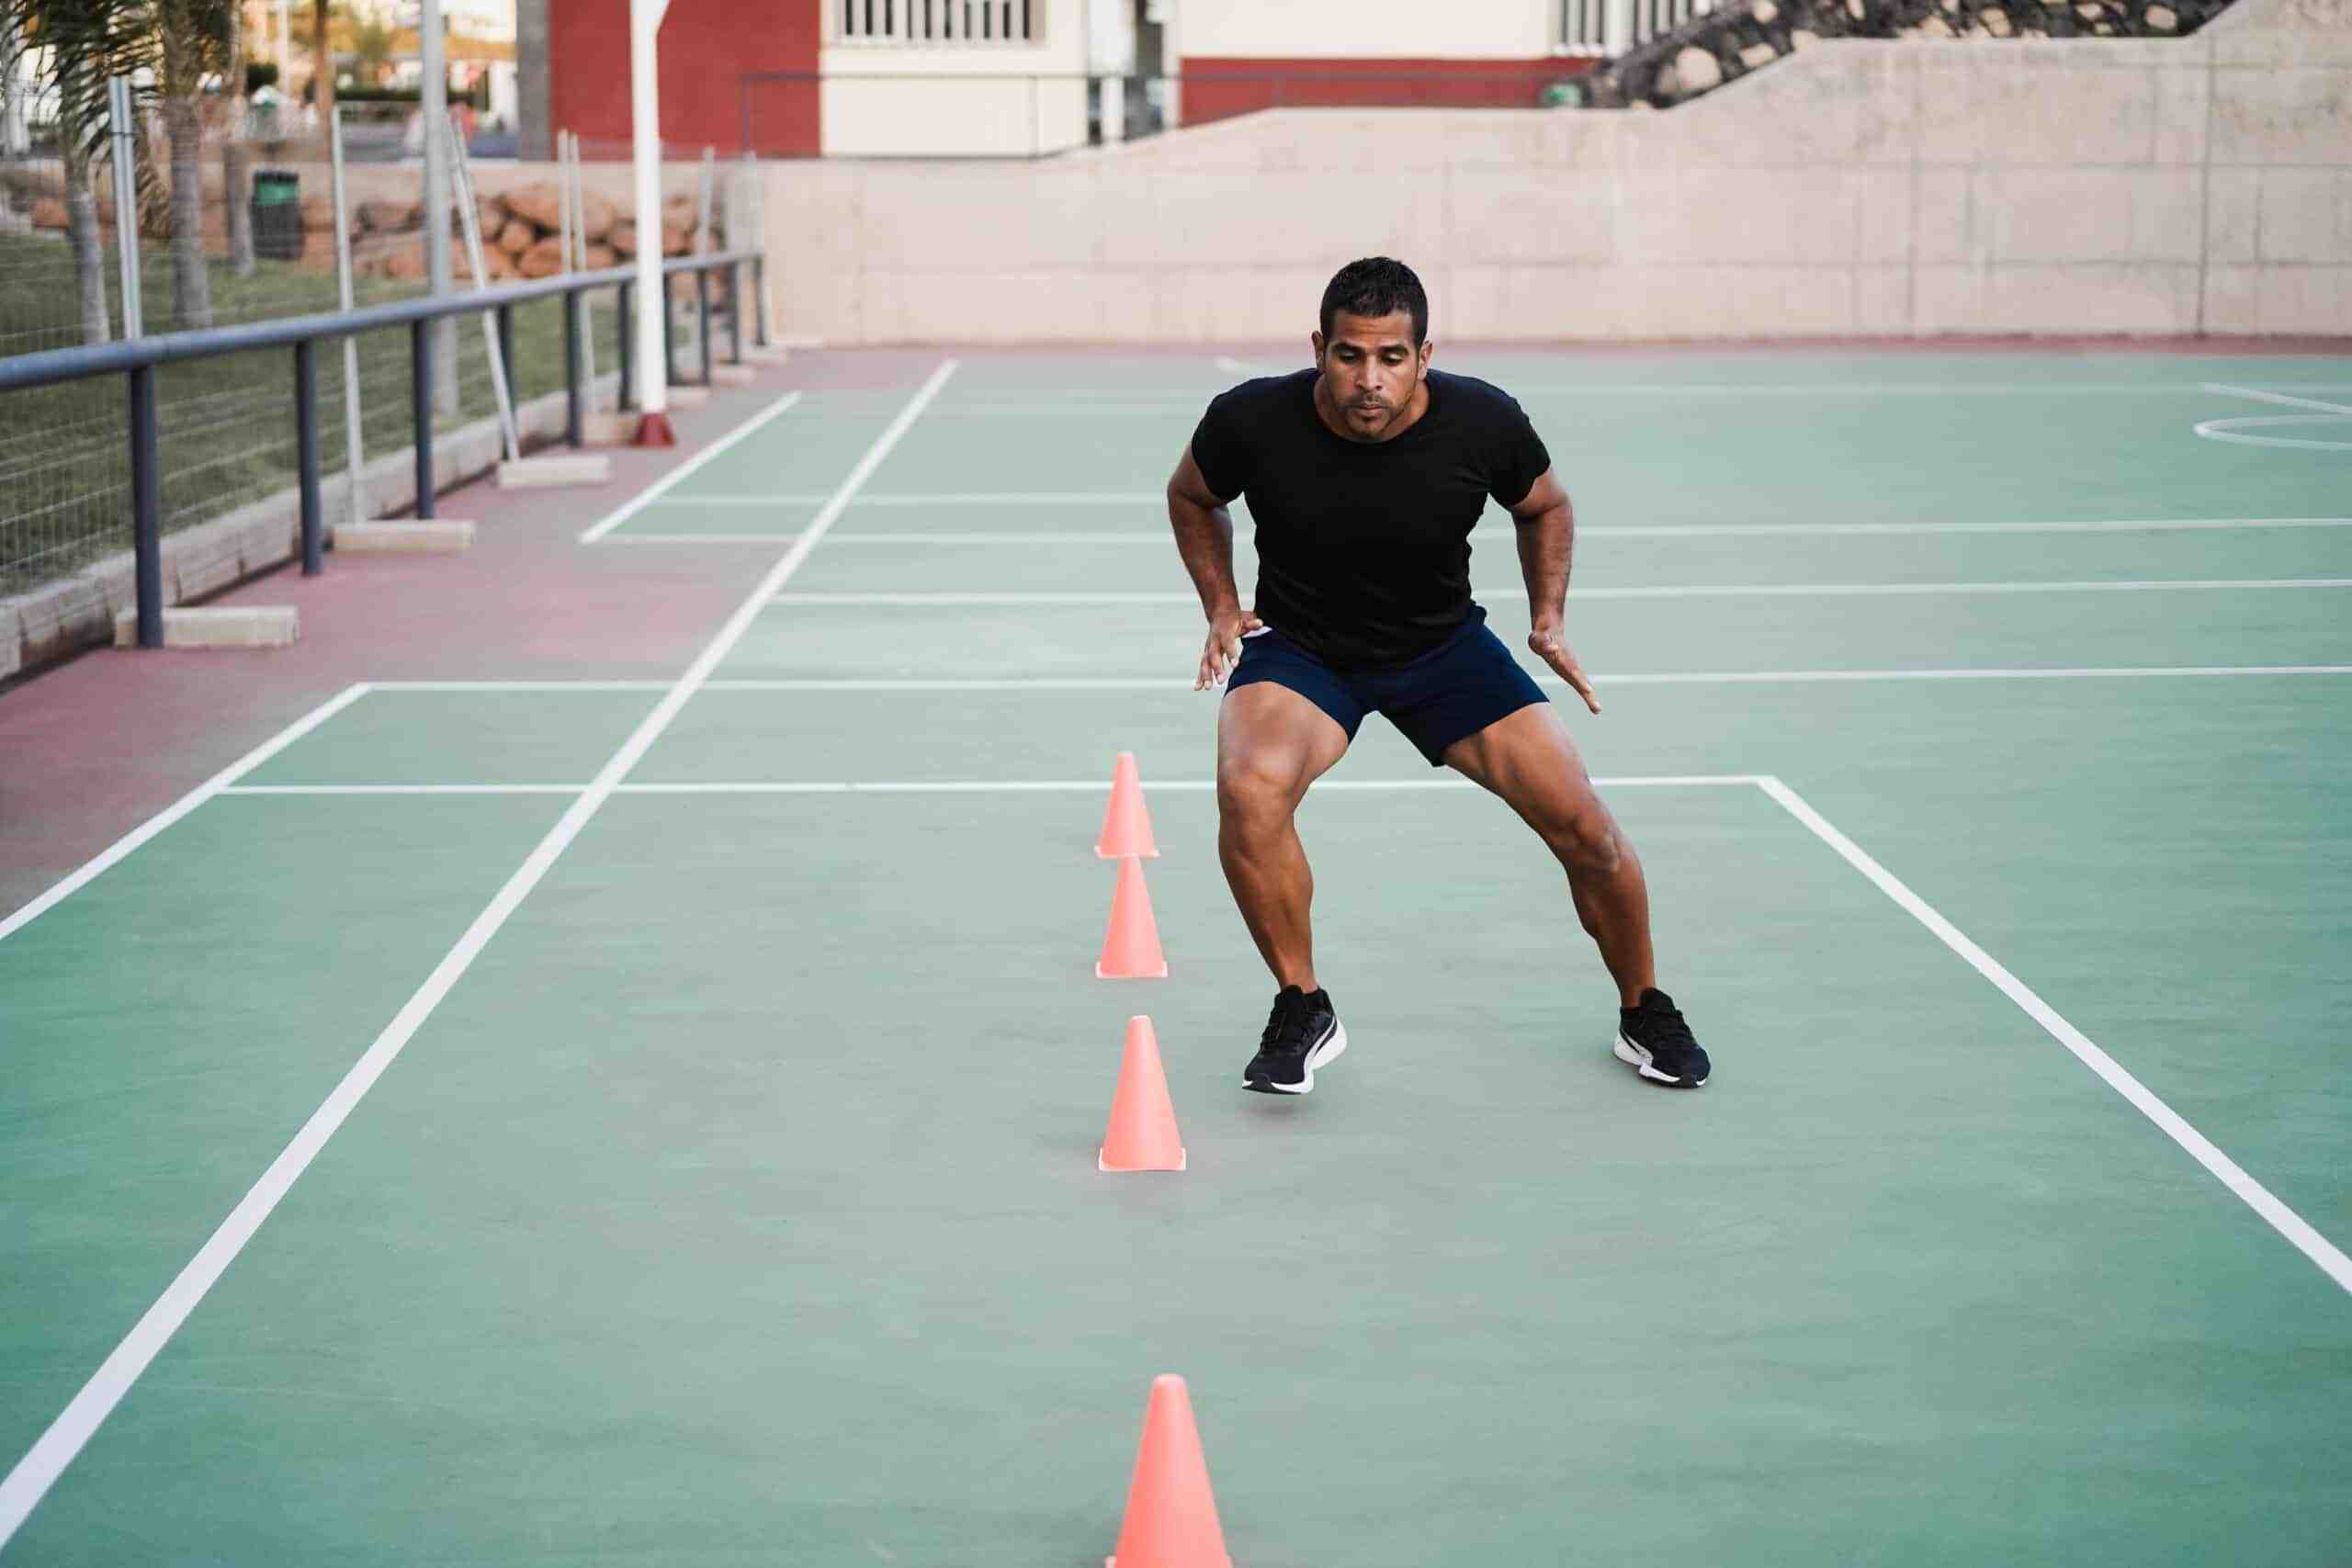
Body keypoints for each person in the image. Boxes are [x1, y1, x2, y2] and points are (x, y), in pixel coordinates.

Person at [1164, 256, 1712, 1096]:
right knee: (1248, 787)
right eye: (1350, 356)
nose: (1368, 380)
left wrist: (1548, 617)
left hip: (1442, 649)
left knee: (1586, 828)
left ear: (1426, 355)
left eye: (1391, 357)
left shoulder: (1482, 420)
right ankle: (1302, 1003)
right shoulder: (1252, 419)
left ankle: (1646, 1007)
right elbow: (1193, 495)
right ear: (1319, 349)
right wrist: (1220, 603)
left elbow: (1545, 506)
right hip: (1305, 650)